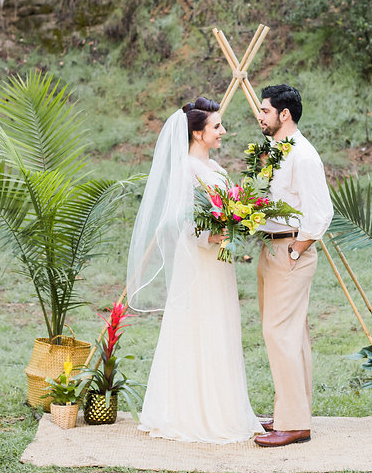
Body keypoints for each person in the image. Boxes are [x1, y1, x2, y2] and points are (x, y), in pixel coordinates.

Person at [126, 96, 264, 444]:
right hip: (200, 264)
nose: (223, 131)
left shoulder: (214, 168)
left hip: (219, 264)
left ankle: (224, 406)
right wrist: (221, 233)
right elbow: (186, 225)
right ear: (198, 133)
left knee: (221, 328)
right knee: (199, 328)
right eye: (217, 127)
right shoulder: (187, 170)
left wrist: (238, 224)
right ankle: (192, 411)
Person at [252, 84, 333, 447]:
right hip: (272, 248)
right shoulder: (277, 152)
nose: (260, 116)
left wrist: (296, 252)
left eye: (265, 110)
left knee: (279, 334)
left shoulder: (304, 156)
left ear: (284, 115)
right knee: (290, 335)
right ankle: (289, 411)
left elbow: (320, 214)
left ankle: (295, 423)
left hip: (290, 251)